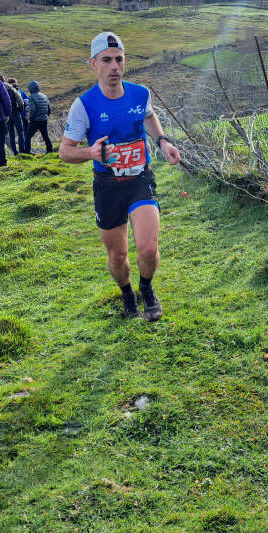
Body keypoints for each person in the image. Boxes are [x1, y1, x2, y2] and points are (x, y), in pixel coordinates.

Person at [60, 32, 180, 321]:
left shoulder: (140, 93)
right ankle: (128, 295)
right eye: (106, 60)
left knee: (149, 249)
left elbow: (148, 115)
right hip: (108, 187)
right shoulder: (84, 105)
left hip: (140, 179)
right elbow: (65, 152)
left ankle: (146, 288)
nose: (114, 66)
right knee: (117, 256)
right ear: (94, 64)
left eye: (119, 59)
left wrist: (162, 140)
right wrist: (92, 153)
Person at [24, 80, 53, 153]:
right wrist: (45, 116)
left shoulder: (31, 97)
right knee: (45, 136)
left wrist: (30, 118)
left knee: (27, 136)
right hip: (44, 120)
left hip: (35, 121)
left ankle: (27, 152)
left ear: (30, 88)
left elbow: (33, 110)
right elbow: (49, 109)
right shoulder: (44, 96)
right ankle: (50, 151)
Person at [5, 77, 27, 156]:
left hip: (8, 114)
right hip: (16, 113)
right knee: (20, 132)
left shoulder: (4, 89)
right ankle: (22, 150)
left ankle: (14, 152)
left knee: (11, 134)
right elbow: (21, 102)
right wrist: (20, 111)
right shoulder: (14, 90)